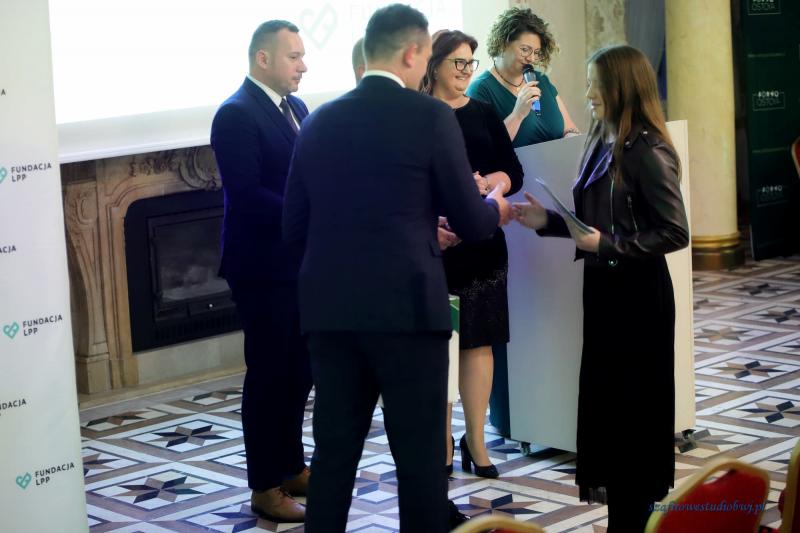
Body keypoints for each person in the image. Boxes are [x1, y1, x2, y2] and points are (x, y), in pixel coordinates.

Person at [282, 4, 511, 532]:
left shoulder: (318, 120)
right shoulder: (430, 116)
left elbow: (293, 226)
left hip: (332, 313)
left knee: (333, 456)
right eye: (427, 57)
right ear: (411, 53)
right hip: (407, 311)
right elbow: (471, 220)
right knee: (418, 461)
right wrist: (494, 207)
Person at [512, 45, 689, 532]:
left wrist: (608, 245)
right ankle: (623, 520)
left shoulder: (649, 150)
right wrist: (547, 221)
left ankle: (634, 520)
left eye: (595, 83)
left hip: (639, 298)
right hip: (605, 292)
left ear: (620, 88)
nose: (587, 92)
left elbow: (674, 232)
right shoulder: (602, 139)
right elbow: (590, 223)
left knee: (634, 413)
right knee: (609, 412)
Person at [210, 20, 312, 523]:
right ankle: (264, 486)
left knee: (300, 369)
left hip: (299, 263)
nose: (303, 66)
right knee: (270, 374)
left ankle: (291, 467)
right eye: (294, 56)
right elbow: (247, 195)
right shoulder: (235, 113)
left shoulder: (298, 108)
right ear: (262, 59)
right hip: (261, 266)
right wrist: (310, 211)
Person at [420, 30, 523, 479]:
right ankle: (441, 442)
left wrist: (490, 183)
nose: (465, 71)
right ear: (434, 64)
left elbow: (513, 171)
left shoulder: (482, 112)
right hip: (437, 244)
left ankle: (476, 439)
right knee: (441, 348)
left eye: (470, 63)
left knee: (480, 343)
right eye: (457, 63)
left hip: (482, 243)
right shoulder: (418, 114)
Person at [467, 7, 579, 147]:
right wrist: (517, 115)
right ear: (503, 43)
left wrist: (572, 136)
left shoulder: (541, 79)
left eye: (536, 52)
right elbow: (483, 150)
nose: (531, 58)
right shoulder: (480, 90)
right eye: (525, 50)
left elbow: (569, 128)